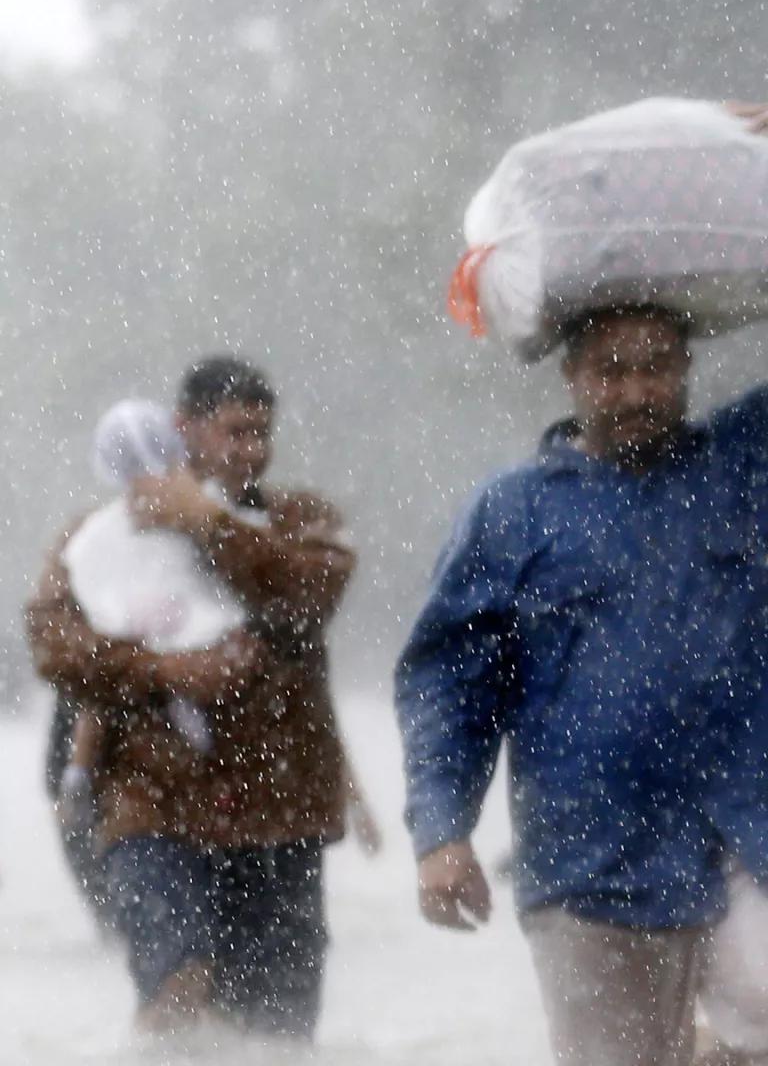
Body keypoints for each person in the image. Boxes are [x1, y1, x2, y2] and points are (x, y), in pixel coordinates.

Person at [395, 300, 768, 1066]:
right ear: (571, 375)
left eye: (657, 368)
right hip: (592, 860)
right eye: (612, 371)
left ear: (687, 368)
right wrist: (442, 831)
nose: (636, 393)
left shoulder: (737, 470)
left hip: (740, 835)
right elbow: (447, 686)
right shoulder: (514, 514)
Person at [26, 356, 356, 1038]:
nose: (252, 451)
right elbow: (51, 643)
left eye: (263, 434)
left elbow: (306, 597)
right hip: (153, 807)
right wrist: (160, 671)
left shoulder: (299, 519)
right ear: (184, 431)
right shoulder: (99, 536)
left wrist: (208, 523)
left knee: (280, 1030)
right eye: (235, 433)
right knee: (177, 991)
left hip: (280, 810)